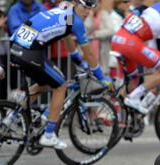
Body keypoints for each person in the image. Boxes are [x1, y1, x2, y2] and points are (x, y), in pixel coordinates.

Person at [9, 0, 112, 149]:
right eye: (85, 7)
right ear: (76, 3)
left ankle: (11, 117)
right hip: (30, 52)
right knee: (61, 86)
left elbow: (66, 34)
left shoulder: (67, 11)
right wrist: (102, 77)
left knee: (44, 84)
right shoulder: (76, 21)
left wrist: (75, 56)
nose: (87, 12)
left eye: (90, 8)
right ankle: (49, 135)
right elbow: (89, 54)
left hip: (16, 47)